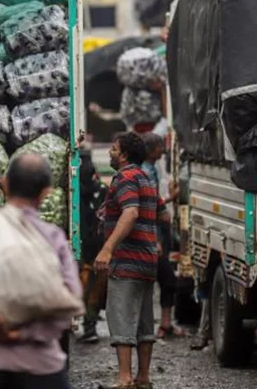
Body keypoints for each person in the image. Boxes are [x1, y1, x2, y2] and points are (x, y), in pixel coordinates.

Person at [0, 153, 82, 389]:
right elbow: (70, 299)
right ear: (46, 192)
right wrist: (26, 334)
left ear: (4, 184)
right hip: (40, 366)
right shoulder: (53, 238)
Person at [94, 132, 170, 389]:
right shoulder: (146, 179)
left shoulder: (124, 177)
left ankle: (124, 378)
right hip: (147, 260)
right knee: (145, 321)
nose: (110, 153)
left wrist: (107, 248)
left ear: (124, 154)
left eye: (113, 149)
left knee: (121, 317)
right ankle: (143, 377)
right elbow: (163, 214)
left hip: (126, 260)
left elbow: (131, 212)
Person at [141, 133, 184, 339]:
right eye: (160, 146)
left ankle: (165, 324)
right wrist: (155, 238)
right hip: (154, 232)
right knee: (165, 279)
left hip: (158, 231)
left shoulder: (151, 169)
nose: (163, 150)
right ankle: (157, 325)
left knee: (165, 280)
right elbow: (149, 206)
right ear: (151, 150)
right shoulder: (146, 171)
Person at [77, 147, 109, 344]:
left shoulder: (75, 191)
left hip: (84, 247)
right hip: (99, 247)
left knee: (85, 286)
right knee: (94, 289)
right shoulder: (102, 190)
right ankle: (90, 325)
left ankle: (87, 325)